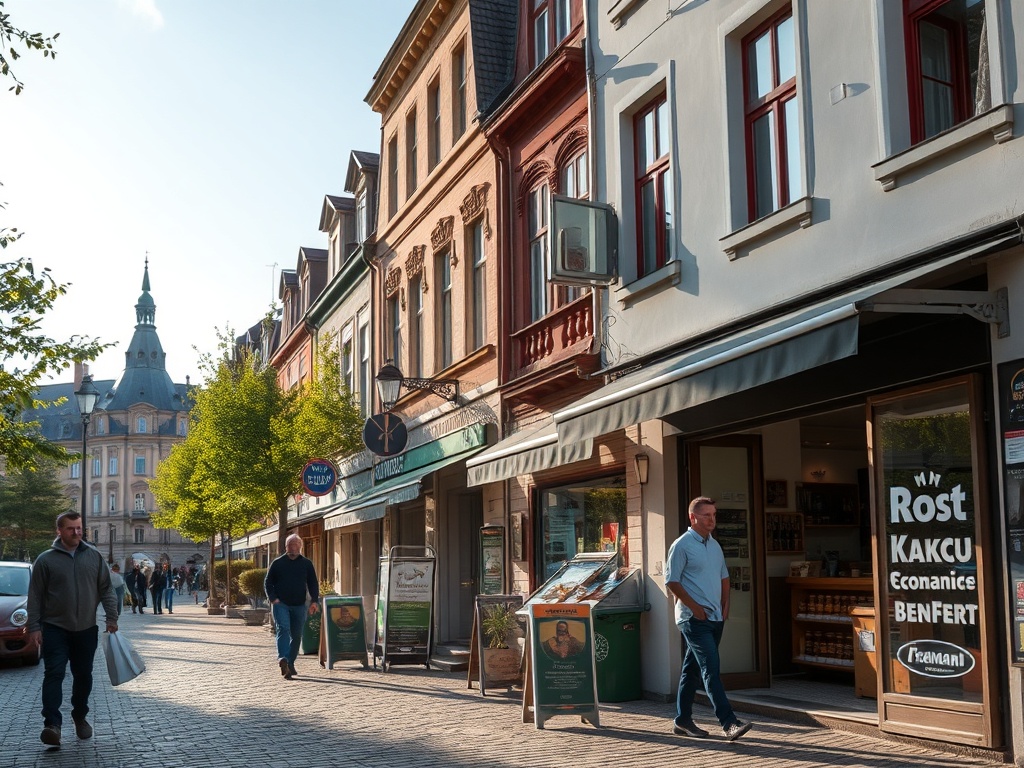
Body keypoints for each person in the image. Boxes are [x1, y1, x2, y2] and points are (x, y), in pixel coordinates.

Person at [26, 512, 118, 747]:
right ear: (59, 531)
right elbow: (35, 596)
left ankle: (80, 716)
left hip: (86, 628)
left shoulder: (94, 556)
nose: (77, 532)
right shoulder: (45, 560)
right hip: (54, 628)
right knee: (54, 673)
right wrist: (34, 626)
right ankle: (52, 725)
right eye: (71, 529)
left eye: (79, 528)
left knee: (83, 675)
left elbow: (106, 588)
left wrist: (111, 616)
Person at [666, 497, 752, 742]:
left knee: (691, 671)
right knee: (711, 669)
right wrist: (695, 608)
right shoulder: (681, 545)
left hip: (715, 617)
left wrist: (726, 604)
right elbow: (672, 581)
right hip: (693, 619)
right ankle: (729, 723)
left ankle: (682, 721)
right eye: (706, 515)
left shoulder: (714, 545)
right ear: (693, 517)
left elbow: (724, 575)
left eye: (714, 514)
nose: (712, 519)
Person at [264, 534, 319, 680]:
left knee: (297, 635)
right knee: (283, 629)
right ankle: (283, 658)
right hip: (281, 604)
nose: (292, 547)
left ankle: (290, 663)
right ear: (285, 547)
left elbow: (313, 583)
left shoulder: (306, 563)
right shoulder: (277, 563)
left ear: (300, 546)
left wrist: (314, 601)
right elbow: (268, 582)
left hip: (300, 605)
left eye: (295, 544)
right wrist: (273, 598)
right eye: (290, 544)